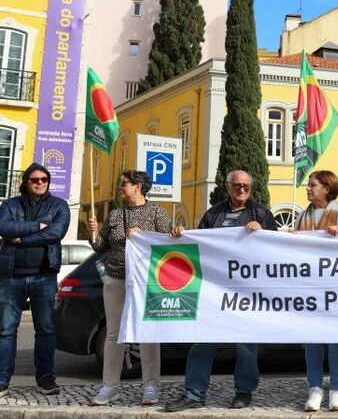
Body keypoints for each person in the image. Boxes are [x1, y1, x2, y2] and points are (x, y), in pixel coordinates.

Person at [164, 170, 277, 412]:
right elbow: (197, 247)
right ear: (227, 188)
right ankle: (194, 393)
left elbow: (275, 252)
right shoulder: (213, 214)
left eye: (246, 186)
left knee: (246, 346)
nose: (242, 190)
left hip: (247, 292)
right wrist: (179, 236)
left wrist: (263, 233)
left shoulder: (262, 214)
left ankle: (244, 392)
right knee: (202, 343)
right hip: (214, 292)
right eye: (237, 186)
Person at [86, 170, 172, 406]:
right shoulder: (115, 214)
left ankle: (151, 386)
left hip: (146, 282)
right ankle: (109, 386)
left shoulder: (157, 213)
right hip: (115, 278)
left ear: (139, 187)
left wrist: (143, 235)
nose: (120, 187)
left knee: (148, 333)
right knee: (114, 333)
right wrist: (92, 231)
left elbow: (168, 244)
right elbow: (99, 246)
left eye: (124, 183)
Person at [0, 163, 69, 398]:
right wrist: (35, 226)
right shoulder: (10, 204)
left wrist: (22, 238)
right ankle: (2, 381)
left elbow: (56, 232)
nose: (40, 182)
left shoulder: (59, 205)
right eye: (34, 179)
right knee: (6, 330)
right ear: (26, 182)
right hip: (10, 276)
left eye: (44, 179)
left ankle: (46, 378)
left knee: (47, 330)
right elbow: (3, 227)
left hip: (44, 275)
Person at [294, 169, 338, 411]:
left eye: (313, 185)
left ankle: (337, 389)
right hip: (311, 286)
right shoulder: (303, 216)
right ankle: (314, 387)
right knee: (312, 338)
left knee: (335, 339)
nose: (308, 188)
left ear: (327, 188)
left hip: (337, 287)